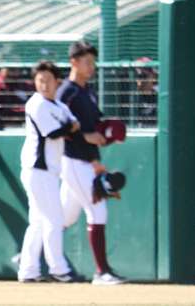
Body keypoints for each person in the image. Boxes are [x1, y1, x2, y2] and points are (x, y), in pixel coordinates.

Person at [57, 40, 126, 285]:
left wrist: (106, 137)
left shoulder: (88, 91)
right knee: (98, 209)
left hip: (87, 160)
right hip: (72, 159)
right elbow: (58, 128)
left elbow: (95, 127)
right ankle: (102, 272)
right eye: (86, 61)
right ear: (73, 62)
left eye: (92, 61)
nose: (91, 66)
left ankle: (28, 256)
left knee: (64, 217)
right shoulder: (66, 91)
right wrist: (86, 137)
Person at [17, 61, 79, 283]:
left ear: (57, 82)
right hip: (38, 169)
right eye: (40, 80)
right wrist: (69, 128)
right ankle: (58, 268)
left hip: (49, 170)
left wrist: (70, 128)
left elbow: (74, 124)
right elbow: (54, 133)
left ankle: (28, 270)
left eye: (48, 80)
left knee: (39, 221)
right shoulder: (36, 104)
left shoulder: (59, 106)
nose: (43, 84)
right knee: (54, 218)